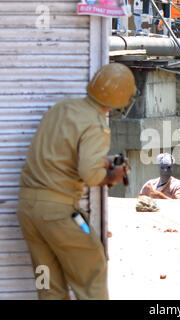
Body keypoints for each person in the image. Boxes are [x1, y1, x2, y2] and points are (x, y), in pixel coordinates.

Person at [17, 63, 136, 300]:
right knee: (92, 269)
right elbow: (90, 175)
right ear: (120, 99)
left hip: (28, 212)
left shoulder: (61, 109)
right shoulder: (96, 124)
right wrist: (111, 176)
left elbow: (61, 152)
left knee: (48, 283)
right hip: (58, 214)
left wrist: (103, 160)